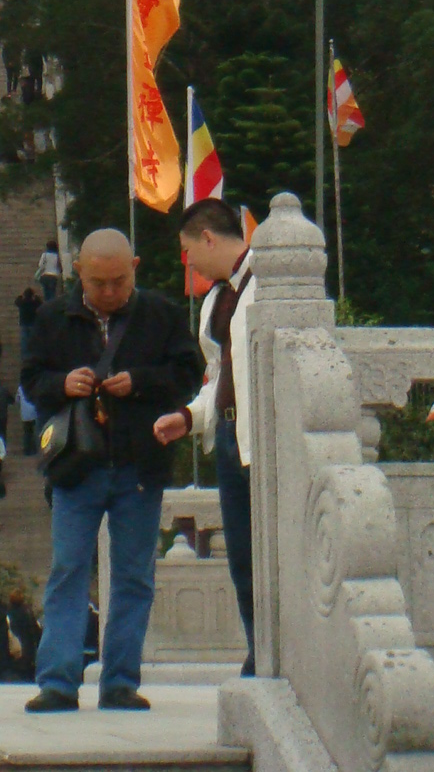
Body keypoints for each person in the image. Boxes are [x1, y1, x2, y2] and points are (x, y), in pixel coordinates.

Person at [21, 227, 201, 714]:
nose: (108, 292)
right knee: (68, 569)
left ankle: (120, 680)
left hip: (140, 465)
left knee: (133, 575)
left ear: (134, 269)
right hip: (77, 467)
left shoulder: (161, 314)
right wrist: (64, 383)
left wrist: (140, 381)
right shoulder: (52, 317)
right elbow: (31, 381)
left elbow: (189, 374)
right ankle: (58, 681)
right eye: (98, 282)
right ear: (78, 271)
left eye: (119, 282)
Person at [152, 197, 258, 675]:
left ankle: (279, 653)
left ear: (208, 238)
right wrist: (190, 417)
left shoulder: (270, 283)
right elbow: (217, 377)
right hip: (230, 433)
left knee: (271, 554)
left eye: (188, 250)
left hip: (264, 438)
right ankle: (259, 650)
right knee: (242, 558)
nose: (188, 261)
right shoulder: (215, 300)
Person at [15, 284, 43, 356]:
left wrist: (21, 296)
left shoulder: (22, 302)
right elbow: (41, 303)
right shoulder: (34, 302)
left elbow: (16, 301)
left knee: (24, 340)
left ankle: (25, 355)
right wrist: (36, 296)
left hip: (24, 322)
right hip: (33, 322)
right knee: (33, 339)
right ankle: (33, 354)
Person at [17, 379, 39, 455]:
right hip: (34, 412)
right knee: (34, 432)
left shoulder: (20, 388)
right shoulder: (35, 386)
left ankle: (27, 450)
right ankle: (34, 449)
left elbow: (17, 400)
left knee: (27, 433)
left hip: (25, 414)